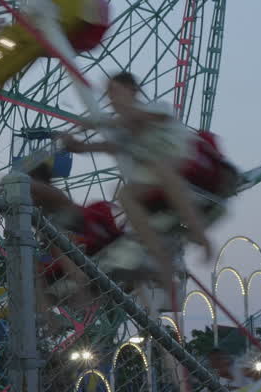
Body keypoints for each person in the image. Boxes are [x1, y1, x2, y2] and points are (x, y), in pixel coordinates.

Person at [54, 72, 214, 286]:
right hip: (157, 181)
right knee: (125, 195)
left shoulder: (156, 108)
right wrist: (76, 146)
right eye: (108, 94)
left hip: (188, 162)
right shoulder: (122, 128)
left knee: (161, 168)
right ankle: (158, 255)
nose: (110, 98)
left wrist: (96, 123)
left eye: (114, 91)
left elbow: (136, 118)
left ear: (133, 91)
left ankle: (199, 233)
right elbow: (108, 146)